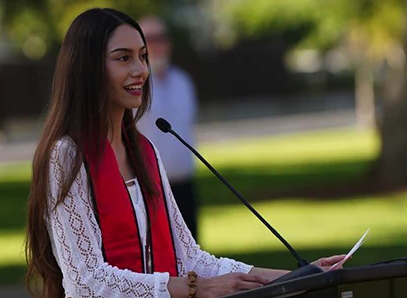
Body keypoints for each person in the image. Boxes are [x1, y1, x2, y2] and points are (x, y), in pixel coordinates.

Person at [25, 8, 345, 298]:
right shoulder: (67, 156)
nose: (141, 69)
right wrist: (193, 288)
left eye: (142, 56)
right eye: (123, 58)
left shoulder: (145, 151)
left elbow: (190, 258)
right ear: (87, 68)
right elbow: (86, 281)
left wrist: (303, 276)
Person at [136, 16, 199, 241]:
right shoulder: (134, 85)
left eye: (161, 37)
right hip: (149, 187)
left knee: (194, 255)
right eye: (150, 39)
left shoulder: (183, 81)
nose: (157, 44)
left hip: (184, 183)